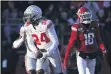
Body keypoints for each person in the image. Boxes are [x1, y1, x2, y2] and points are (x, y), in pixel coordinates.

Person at [13, 5, 63, 74]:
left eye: (28, 16)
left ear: (35, 15)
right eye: (26, 16)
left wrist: (48, 52)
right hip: (41, 52)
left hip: (52, 50)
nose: (26, 18)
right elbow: (30, 42)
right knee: (39, 71)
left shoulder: (46, 24)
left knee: (58, 72)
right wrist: (36, 51)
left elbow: (56, 42)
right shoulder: (27, 27)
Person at [63, 7, 106, 74]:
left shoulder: (94, 24)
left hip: (92, 54)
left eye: (88, 15)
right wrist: (66, 60)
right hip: (82, 55)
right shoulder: (77, 27)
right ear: (80, 16)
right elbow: (71, 44)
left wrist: (103, 48)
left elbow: (98, 38)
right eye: (85, 16)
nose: (87, 17)